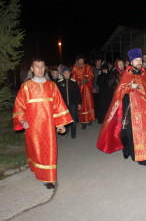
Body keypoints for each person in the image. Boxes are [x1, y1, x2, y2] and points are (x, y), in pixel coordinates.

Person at [13, 59, 73, 189]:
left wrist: (60, 124)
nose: (40, 69)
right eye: (37, 67)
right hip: (32, 126)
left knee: (49, 151)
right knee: (36, 151)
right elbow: (19, 106)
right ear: (32, 69)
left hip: (48, 126)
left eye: (42, 67)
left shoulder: (52, 86)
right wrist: (22, 120)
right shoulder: (26, 86)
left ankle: (48, 178)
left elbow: (58, 106)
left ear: (45, 68)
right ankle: (39, 171)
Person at [97, 48, 146, 166]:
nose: (138, 62)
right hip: (130, 108)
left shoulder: (145, 74)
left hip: (145, 109)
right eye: (136, 60)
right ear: (131, 62)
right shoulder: (126, 74)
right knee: (128, 132)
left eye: (140, 60)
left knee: (145, 133)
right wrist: (131, 87)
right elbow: (119, 92)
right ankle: (127, 149)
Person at [57, 67, 82, 139]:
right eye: (65, 73)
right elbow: (58, 95)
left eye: (68, 72)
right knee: (65, 119)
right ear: (62, 74)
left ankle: (73, 133)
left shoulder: (74, 82)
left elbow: (78, 93)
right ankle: (65, 130)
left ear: (70, 73)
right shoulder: (59, 82)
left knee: (73, 119)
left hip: (73, 104)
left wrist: (79, 103)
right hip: (63, 105)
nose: (66, 74)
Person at [71, 55, 95, 129]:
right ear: (77, 61)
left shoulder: (88, 67)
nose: (81, 62)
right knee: (81, 105)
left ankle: (90, 118)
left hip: (87, 89)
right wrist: (79, 82)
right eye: (79, 60)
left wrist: (87, 80)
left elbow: (92, 76)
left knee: (89, 104)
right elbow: (73, 79)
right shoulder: (74, 68)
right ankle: (83, 122)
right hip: (79, 89)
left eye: (82, 60)